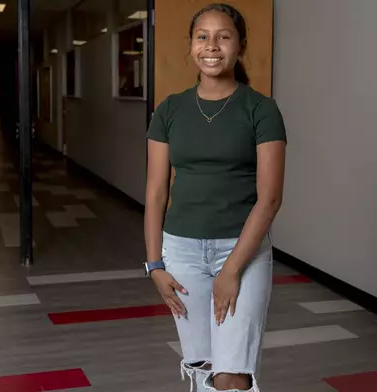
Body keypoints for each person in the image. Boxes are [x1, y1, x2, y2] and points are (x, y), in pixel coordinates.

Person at [144, 3, 287, 392]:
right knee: (205, 367)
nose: (212, 45)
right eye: (202, 36)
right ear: (191, 46)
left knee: (232, 375)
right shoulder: (169, 110)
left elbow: (270, 199)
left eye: (224, 36)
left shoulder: (261, 109)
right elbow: (156, 192)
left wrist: (231, 270)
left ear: (240, 46)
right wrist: (154, 264)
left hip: (241, 251)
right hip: (181, 253)